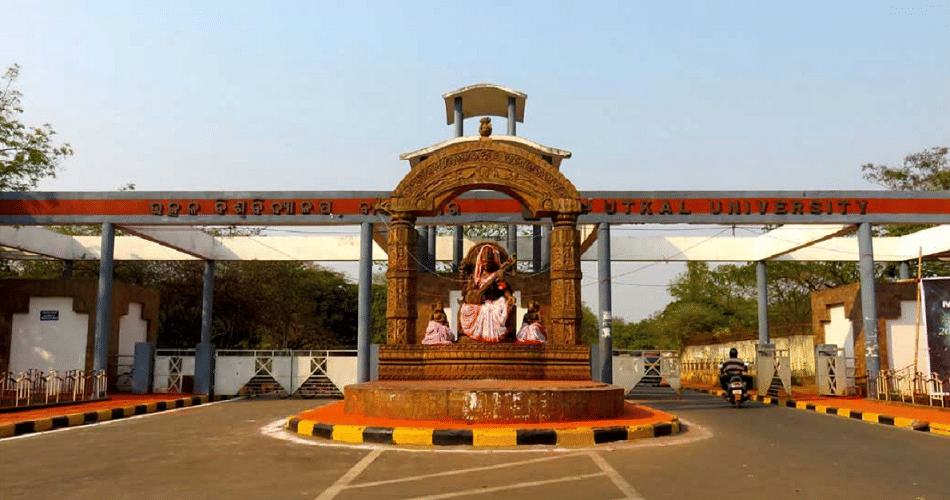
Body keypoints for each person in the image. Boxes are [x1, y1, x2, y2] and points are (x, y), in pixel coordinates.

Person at [459, 244, 516, 343]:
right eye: (484, 262)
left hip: (494, 301)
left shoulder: (497, 274)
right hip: (480, 303)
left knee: (502, 305)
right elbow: (468, 291)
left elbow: (503, 288)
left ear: (493, 262)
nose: (486, 264)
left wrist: (509, 296)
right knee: (466, 309)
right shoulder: (476, 277)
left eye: (489, 262)